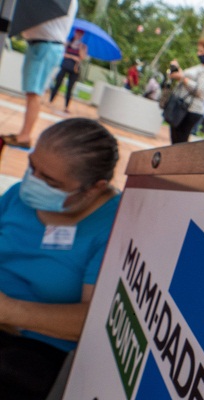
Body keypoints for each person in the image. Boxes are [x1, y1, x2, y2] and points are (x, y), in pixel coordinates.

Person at [0, 118, 120, 399]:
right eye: (32, 167)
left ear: (94, 187)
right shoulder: (17, 196)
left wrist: (8, 311)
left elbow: (92, 320)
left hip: (36, 350)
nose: (32, 181)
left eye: (50, 181)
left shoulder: (113, 226)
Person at [0, 0, 77, 150]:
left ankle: (25, 136)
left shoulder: (63, 2)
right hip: (44, 46)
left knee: (34, 92)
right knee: (33, 91)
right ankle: (24, 134)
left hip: (45, 46)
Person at [167, 37, 204, 144]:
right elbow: (186, 76)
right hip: (183, 105)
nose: (199, 54)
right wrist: (177, 70)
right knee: (176, 139)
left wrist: (182, 78)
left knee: (180, 141)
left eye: (201, 51)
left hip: (191, 109)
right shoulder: (201, 66)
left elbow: (200, 90)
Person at [49, 28, 88, 113]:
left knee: (70, 88)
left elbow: (82, 57)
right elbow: (62, 53)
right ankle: (51, 100)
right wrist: (72, 57)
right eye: (78, 33)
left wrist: (80, 48)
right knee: (58, 83)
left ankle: (66, 106)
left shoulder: (83, 46)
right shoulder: (68, 42)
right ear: (75, 33)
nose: (78, 35)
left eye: (80, 34)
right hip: (65, 65)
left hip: (74, 69)